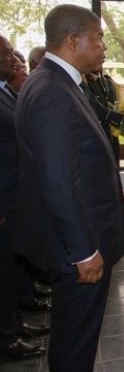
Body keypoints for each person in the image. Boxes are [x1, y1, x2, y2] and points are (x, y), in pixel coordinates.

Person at [14, 4, 124, 372]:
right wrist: (82, 252)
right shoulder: (52, 91)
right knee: (74, 344)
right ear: (72, 40)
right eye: (97, 39)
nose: (102, 47)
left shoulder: (55, 81)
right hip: (77, 246)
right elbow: (58, 180)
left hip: (76, 238)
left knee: (74, 337)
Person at [0, 35, 47, 360]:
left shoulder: (5, 93)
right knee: (3, 273)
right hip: (5, 199)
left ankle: (15, 325)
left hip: (17, 196)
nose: (12, 58)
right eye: (6, 54)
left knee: (12, 268)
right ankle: (7, 337)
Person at [83, 70, 124, 161]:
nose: (103, 57)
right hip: (94, 144)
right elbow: (100, 112)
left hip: (112, 142)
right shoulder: (82, 84)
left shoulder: (108, 82)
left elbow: (116, 111)